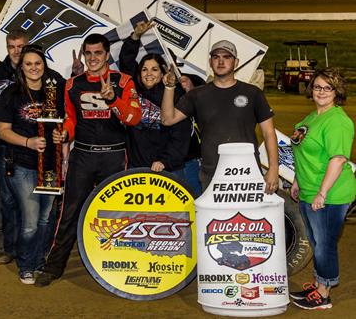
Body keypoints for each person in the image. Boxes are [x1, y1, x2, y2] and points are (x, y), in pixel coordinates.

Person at [35, 33, 141, 287]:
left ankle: (118, 267)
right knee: (69, 212)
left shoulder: (124, 81)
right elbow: (70, 119)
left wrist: (112, 99)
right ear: (84, 55)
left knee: (116, 214)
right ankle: (54, 267)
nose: (93, 58)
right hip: (82, 155)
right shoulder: (73, 84)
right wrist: (65, 133)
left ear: (107, 55)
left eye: (98, 53)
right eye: (89, 53)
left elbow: (134, 119)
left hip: (114, 156)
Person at [160, 39, 279, 193]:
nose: (221, 61)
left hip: (248, 174)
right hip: (212, 174)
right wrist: (169, 87)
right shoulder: (197, 94)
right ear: (210, 62)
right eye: (216, 57)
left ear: (236, 62)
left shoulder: (253, 93)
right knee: (215, 218)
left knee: (246, 218)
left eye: (227, 57)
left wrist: (273, 169)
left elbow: (269, 133)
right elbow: (167, 119)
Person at [0, 46, 65, 284]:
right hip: (23, 165)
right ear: (21, 67)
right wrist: (28, 142)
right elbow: (2, 131)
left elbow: (62, 125)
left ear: (44, 65)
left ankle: (39, 261)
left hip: (49, 166)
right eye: (28, 64)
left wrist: (61, 136)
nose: (34, 68)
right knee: (30, 221)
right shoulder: (12, 94)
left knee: (46, 219)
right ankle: (25, 264)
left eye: (38, 63)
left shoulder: (53, 93)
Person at [289, 68, 356, 310]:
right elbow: (303, 153)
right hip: (309, 189)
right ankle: (320, 284)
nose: (321, 92)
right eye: (317, 86)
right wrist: (297, 180)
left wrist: (322, 193)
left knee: (325, 243)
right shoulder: (311, 118)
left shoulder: (338, 121)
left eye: (328, 88)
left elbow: (337, 159)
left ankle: (324, 293)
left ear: (337, 91)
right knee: (317, 242)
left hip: (331, 193)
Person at [118, 20, 191, 178]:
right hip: (136, 167)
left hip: (168, 168)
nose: (148, 73)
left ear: (162, 73)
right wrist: (135, 37)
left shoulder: (175, 94)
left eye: (154, 69)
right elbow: (126, 62)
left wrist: (165, 161)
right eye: (144, 69)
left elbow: (181, 135)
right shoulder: (134, 90)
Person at [0, 30, 29, 263]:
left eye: (20, 46)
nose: (16, 51)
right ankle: (10, 250)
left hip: (30, 144)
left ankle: (31, 248)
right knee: (8, 199)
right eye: (12, 46)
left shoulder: (36, 68)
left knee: (30, 201)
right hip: (5, 144)